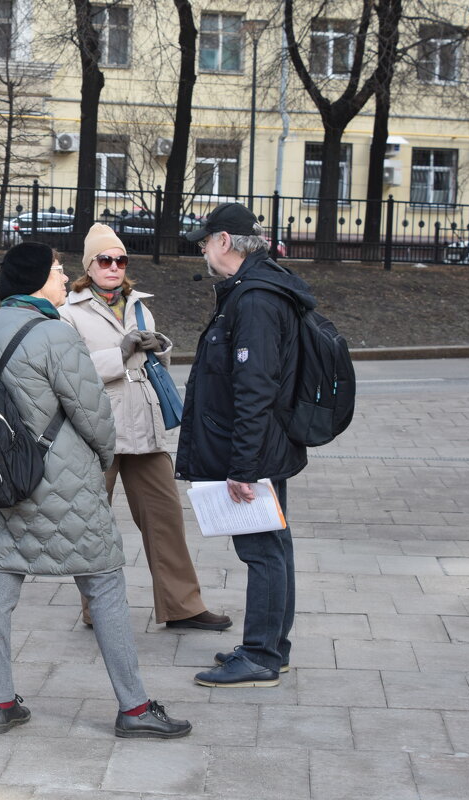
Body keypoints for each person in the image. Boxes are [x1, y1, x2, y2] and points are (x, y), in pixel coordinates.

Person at [0, 241, 191, 739]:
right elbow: (92, 412)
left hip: (8, 476)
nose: (62, 276)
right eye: (55, 269)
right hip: (64, 476)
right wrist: (102, 458)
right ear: (34, 279)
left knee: (0, 581)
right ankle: (135, 709)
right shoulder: (54, 332)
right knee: (106, 582)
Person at [60, 224, 231, 633]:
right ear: (90, 266)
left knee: (166, 518)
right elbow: (70, 374)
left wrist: (162, 347)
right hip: (97, 430)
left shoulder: (139, 306)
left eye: (121, 260)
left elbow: (154, 368)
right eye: (105, 260)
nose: (114, 267)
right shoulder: (68, 313)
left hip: (146, 428)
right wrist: (117, 354)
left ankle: (183, 606)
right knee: (93, 526)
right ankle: (95, 609)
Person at [178, 203, 314, 688]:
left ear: (225, 242)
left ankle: (261, 656)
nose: (201, 249)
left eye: (204, 240)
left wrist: (243, 466)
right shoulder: (254, 289)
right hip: (262, 446)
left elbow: (254, 387)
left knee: (262, 550)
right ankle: (272, 647)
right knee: (274, 545)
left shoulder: (254, 298)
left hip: (254, 451)